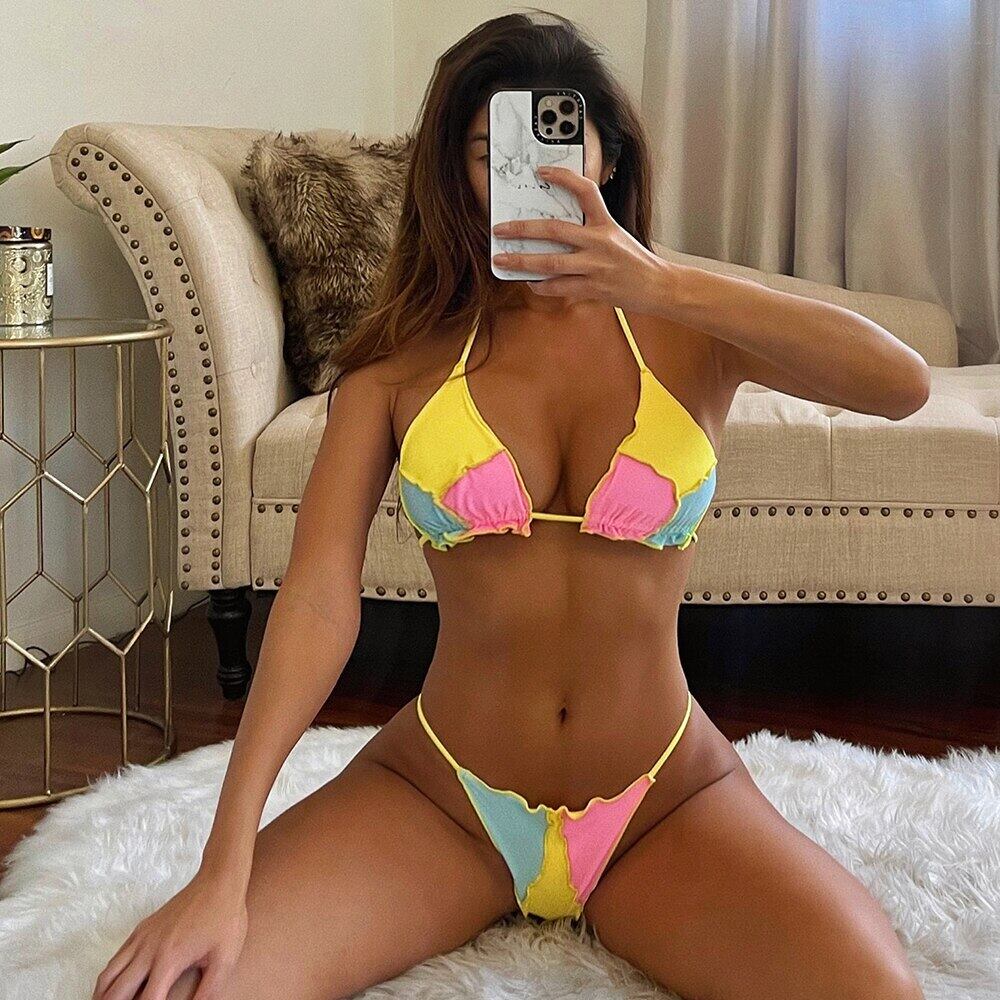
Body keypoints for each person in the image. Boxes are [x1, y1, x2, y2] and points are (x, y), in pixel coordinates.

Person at [94, 11, 931, 1000]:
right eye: (490, 153)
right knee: (185, 992)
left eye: (556, 144)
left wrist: (664, 282)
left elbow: (900, 384)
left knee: (877, 992)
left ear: (607, 158)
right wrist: (222, 866)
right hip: (443, 798)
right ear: (457, 176)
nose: (527, 175)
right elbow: (316, 600)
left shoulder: (691, 333)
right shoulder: (398, 361)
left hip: (663, 802)